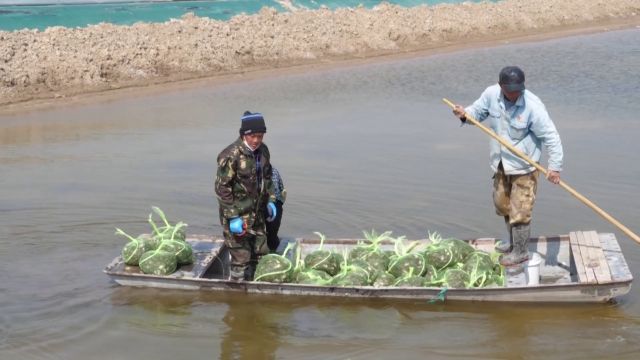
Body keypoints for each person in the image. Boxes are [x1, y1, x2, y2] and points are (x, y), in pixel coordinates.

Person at [451, 66, 563, 266]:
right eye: (509, 90)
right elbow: (475, 113)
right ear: (501, 86)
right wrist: (463, 113)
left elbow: (551, 137)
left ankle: (520, 251)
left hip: (524, 166)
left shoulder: (533, 106)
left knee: (520, 209)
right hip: (500, 163)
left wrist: (554, 167)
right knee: (502, 205)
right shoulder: (491, 94)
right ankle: (512, 242)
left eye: (517, 90)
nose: (514, 94)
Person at [215, 111, 277, 281]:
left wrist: (271, 201)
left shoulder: (263, 151)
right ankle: (237, 296)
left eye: (260, 136)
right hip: (238, 218)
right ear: (244, 135)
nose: (257, 140)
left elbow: (268, 178)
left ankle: (256, 299)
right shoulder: (230, 155)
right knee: (241, 261)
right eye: (253, 136)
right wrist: (233, 217)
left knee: (261, 255)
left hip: (257, 215)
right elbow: (222, 188)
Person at [265, 166, 286, 253]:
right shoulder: (274, 170)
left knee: (272, 236)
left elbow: (282, 190)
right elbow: (282, 190)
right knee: (271, 235)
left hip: (273, 205)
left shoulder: (274, 171)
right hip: (266, 204)